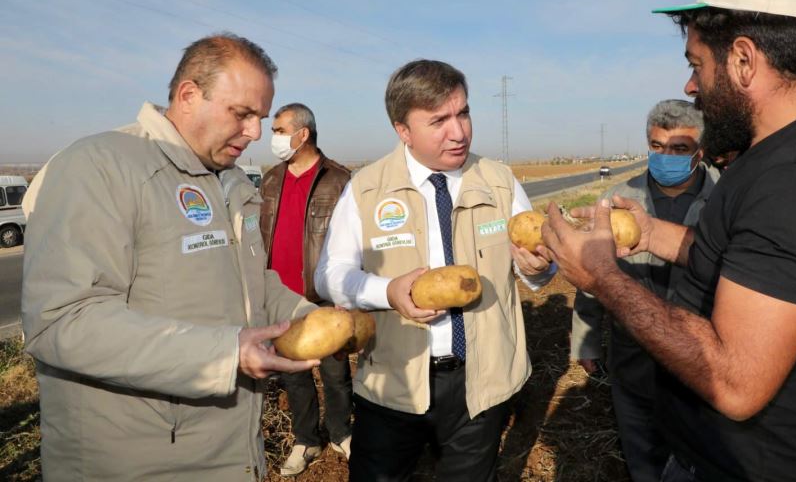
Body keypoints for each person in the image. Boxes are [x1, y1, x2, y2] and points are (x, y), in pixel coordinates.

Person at [542, 0, 796, 481]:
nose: (690, 85)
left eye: (696, 65)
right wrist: (650, 234)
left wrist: (603, 278)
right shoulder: (794, 152)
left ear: (743, 59)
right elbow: (749, 262)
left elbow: (735, 381)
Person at [21, 33, 322, 481]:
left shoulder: (231, 181)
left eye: (260, 117)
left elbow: (252, 283)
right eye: (242, 114)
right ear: (188, 95)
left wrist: (306, 316)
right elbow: (61, 321)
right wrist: (224, 353)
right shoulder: (101, 166)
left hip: (230, 452)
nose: (255, 132)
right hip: (137, 463)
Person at [315, 59, 555, 481]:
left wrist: (539, 268)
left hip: (479, 384)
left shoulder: (500, 182)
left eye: (463, 113)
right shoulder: (367, 188)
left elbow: (532, 271)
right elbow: (330, 274)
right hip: (393, 384)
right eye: (438, 120)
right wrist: (386, 292)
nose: (459, 132)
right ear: (403, 131)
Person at [570, 99, 718, 482]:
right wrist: (586, 341)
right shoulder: (621, 197)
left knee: (701, 457)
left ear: (699, 151)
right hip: (634, 353)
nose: (665, 156)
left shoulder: (725, 196)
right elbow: (594, 268)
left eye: (679, 149)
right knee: (643, 454)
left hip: (703, 353)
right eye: (657, 146)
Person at [259, 102, 353, 475]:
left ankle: (341, 431)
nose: (274, 138)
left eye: (279, 130)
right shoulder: (270, 180)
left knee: (335, 373)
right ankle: (305, 440)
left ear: (303, 134)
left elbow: (355, 242)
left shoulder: (339, 179)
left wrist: (347, 296)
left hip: (323, 296)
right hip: (279, 294)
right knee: (293, 374)